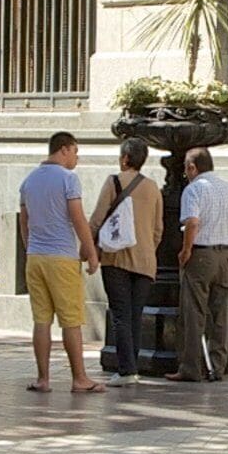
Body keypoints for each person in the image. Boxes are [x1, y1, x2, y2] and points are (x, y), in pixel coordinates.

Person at [15, 132, 100, 394]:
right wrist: (90, 250)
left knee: (41, 320)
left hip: (36, 258)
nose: (77, 157)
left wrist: (30, 248)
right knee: (71, 320)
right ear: (64, 150)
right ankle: (79, 378)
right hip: (62, 257)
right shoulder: (68, 179)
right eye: (75, 151)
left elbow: (24, 220)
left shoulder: (28, 181)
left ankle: (43, 378)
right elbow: (77, 217)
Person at [92, 140, 161, 381]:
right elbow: (158, 230)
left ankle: (127, 369)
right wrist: (146, 249)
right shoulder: (153, 188)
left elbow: (98, 218)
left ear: (124, 158)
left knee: (120, 314)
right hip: (145, 262)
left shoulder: (114, 182)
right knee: (135, 314)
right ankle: (132, 364)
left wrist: (89, 249)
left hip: (116, 258)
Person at [175, 146, 228, 383]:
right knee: (219, 312)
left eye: (186, 168)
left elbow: (192, 222)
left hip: (202, 255)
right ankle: (217, 366)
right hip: (225, 256)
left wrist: (185, 250)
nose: (185, 173)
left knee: (194, 311)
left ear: (192, 167)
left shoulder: (194, 190)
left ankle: (191, 368)